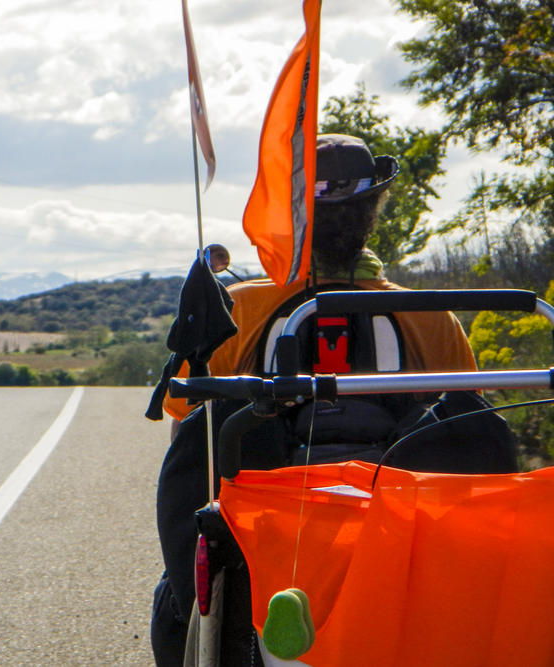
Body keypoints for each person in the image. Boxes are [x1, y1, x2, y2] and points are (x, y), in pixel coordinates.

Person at [150, 134, 479, 666]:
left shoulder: (239, 308)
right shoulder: (432, 315)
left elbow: (190, 447)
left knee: (176, 599)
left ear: (290, 208)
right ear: (374, 209)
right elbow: (468, 446)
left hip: (259, 546)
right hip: (401, 537)